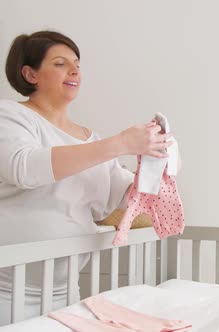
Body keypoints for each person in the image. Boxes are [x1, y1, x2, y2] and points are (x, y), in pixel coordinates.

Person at [0, 30, 173, 325]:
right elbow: (24, 167)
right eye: (59, 63)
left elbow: (125, 196)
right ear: (30, 74)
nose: (74, 70)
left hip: (67, 293)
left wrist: (157, 164)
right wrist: (120, 143)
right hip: (7, 291)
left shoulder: (90, 139)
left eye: (77, 63)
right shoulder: (10, 115)